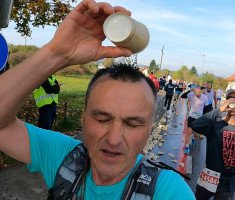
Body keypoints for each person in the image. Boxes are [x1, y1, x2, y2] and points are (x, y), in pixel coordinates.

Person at [0, 1, 195, 199]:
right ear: (83, 119)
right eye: (102, 119)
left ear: (149, 129)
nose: (114, 139)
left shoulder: (169, 191)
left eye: (133, 124)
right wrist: (57, 53)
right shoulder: (63, 156)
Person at [191, 87, 235, 200]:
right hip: (209, 177)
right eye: (230, 98)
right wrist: (218, 110)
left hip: (228, 183)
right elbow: (195, 125)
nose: (233, 102)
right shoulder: (215, 123)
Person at [184, 88, 209, 154]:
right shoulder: (191, 95)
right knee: (189, 131)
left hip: (199, 117)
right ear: (194, 93)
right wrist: (190, 91)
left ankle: (193, 138)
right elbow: (182, 96)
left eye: (199, 95)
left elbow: (207, 108)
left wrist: (205, 117)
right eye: (197, 96)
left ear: (201, 92)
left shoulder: (205, 97)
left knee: (196, 134)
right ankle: (187, 147)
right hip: (191, 116)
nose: (198, 97)